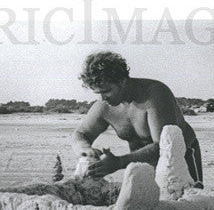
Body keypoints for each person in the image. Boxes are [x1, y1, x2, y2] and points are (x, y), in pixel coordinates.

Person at [71, 51, 202, 185]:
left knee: (185, 201)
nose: (102, 98)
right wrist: (84, 150)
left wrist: (119, 162)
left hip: (180, 158)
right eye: (98, 93)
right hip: (141, 164)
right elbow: (81, 134)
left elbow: (163, 147)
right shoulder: (104, 106)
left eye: (106, 91)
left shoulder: (154, 95)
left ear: (122, 81)